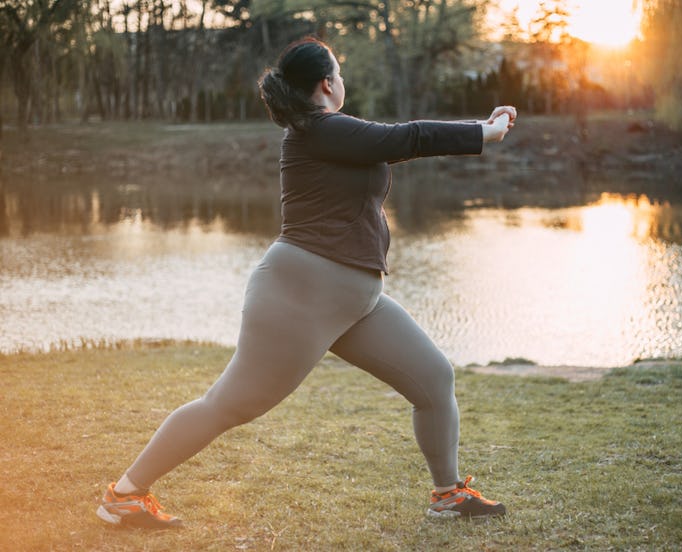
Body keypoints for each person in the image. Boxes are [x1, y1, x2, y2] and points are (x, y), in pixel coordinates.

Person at [96, 36, 516, 529]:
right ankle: (124, 495)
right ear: (326, 83)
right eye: (339, 73)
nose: (343, 82)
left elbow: (391, 144)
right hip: (300, 294)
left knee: (433, 378)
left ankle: (448, 495)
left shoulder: (328, 131)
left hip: (355, 301)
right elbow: (407, 137)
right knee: (231, 404)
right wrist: (482, 133)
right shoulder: (317, 130)